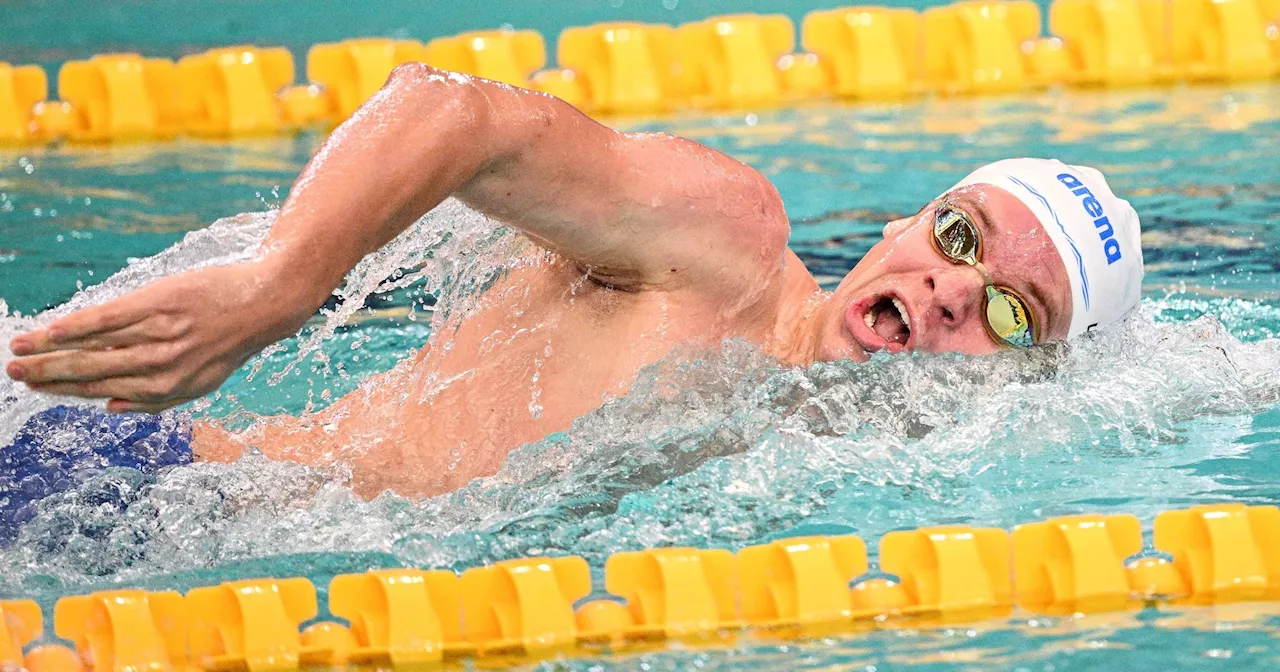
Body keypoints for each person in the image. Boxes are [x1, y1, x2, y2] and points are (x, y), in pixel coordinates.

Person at [2, 64, 1145, 505]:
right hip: (105, 480)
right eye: (957, 233)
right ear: (902, 219)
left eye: (1009, 311)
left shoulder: (835, 473)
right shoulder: (728, 248)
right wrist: (279, 286)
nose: (950, 287)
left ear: (1028, 383)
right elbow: (457, 113)